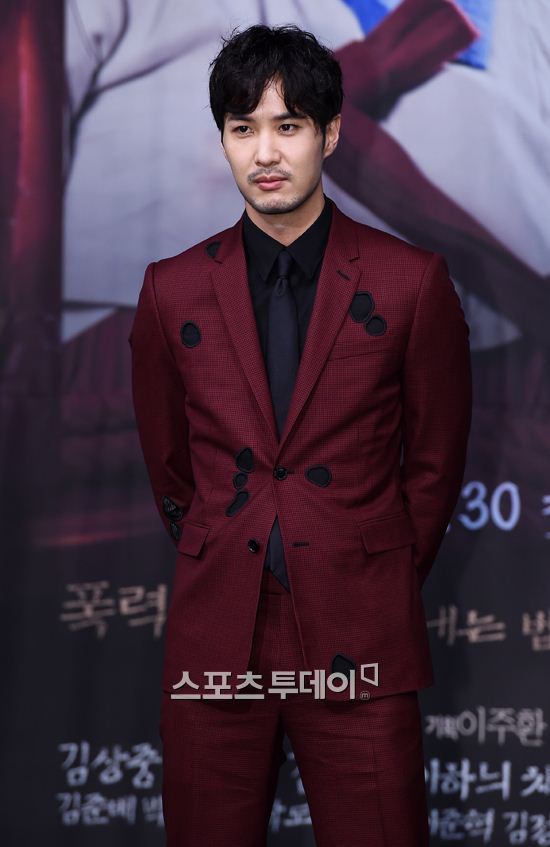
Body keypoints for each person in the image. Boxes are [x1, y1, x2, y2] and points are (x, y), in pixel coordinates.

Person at [129, 23, 472, 846]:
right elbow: (170, 466)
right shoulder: (172, 289)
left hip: (361, 623)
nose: (265, 152)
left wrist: (368, 562)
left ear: (331, 133)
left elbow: (434, 466)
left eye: (288, 125)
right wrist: (227, 540)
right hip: (219, 627)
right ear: (223, 140)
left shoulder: (410, 281)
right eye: (242, 128)